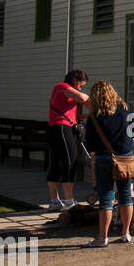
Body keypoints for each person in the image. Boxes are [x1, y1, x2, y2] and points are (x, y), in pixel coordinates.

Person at [83, 81, 134, 247]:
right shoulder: (126, 109)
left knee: (106, 198)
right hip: (125, 158)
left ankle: (102, 238)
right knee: (125, 195)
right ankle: (126, 233)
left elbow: (90, 144)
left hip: (104, 158)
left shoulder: (94, 116)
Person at [46, 70, 89, 211]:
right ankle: (69, 201)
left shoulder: (61, 90)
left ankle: (54, 201)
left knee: (57, 164)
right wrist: (89, 98)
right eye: (81, 85)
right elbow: (83, 98)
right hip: (61, 129)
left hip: (56, 128)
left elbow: (70, 113)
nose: (81, 88)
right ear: (76, 81)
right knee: (70, 162)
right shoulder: (62, 87)